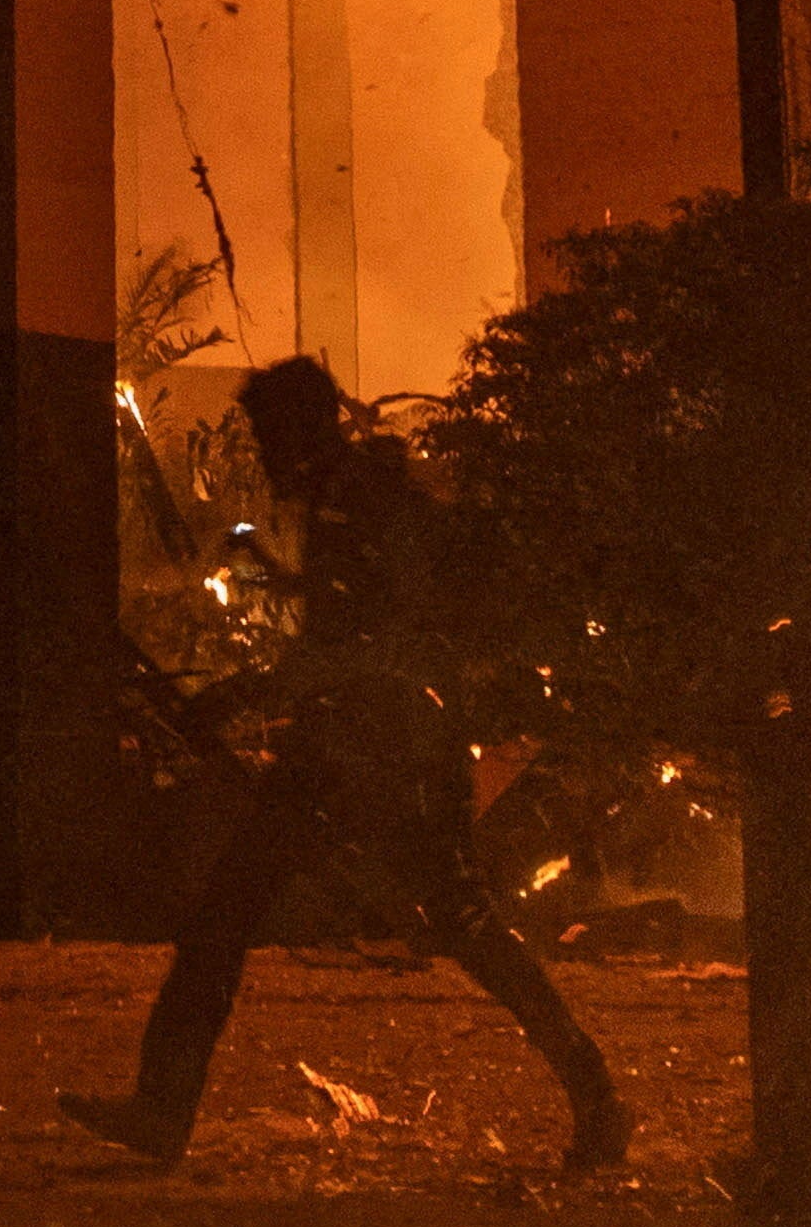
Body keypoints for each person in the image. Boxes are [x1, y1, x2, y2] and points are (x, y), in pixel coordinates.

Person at [63, 356, 628, 1174]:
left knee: (449, 923)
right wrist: (284, 601)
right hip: (348, 746)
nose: (259, 451)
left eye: (266, 434)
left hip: (391, 750)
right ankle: (160, 1108)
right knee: (239, 918)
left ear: (301, 429)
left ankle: (599, 1096)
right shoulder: (348, 498)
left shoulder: (364, 499)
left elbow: (380, 641)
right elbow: (354, 622)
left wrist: (247, 692)